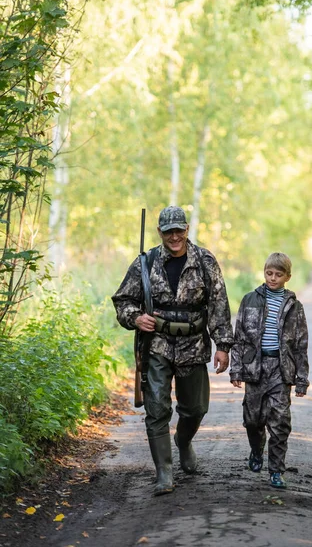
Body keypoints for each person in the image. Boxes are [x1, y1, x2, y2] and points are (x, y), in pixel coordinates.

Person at [112, 206, 234, 496]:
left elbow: (218, 302)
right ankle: (164, 472)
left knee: (195, 408)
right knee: (157, 410)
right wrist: (134, 317)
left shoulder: (205, 261)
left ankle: (183, 440)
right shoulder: (146, 262)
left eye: (179, 230)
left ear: (187, 229)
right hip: (157, 345)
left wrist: (223, 345)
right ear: (160, 233)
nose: (175, 236)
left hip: (194, 345)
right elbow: (123, 300)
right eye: (169, 232)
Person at [230, 252, 309, 489]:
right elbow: (240, 337)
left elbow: (301, 344)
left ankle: (276, 470)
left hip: (280, 370)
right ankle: (256, 450)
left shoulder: (295, 306)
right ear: (264, 272)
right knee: (253, 420)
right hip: (255, 367)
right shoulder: (249, 300)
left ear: (288, 277)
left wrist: (301, 379)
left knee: (280, 422)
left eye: (279, 274)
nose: (273, 278)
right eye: (269, 273)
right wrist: (236, 370)